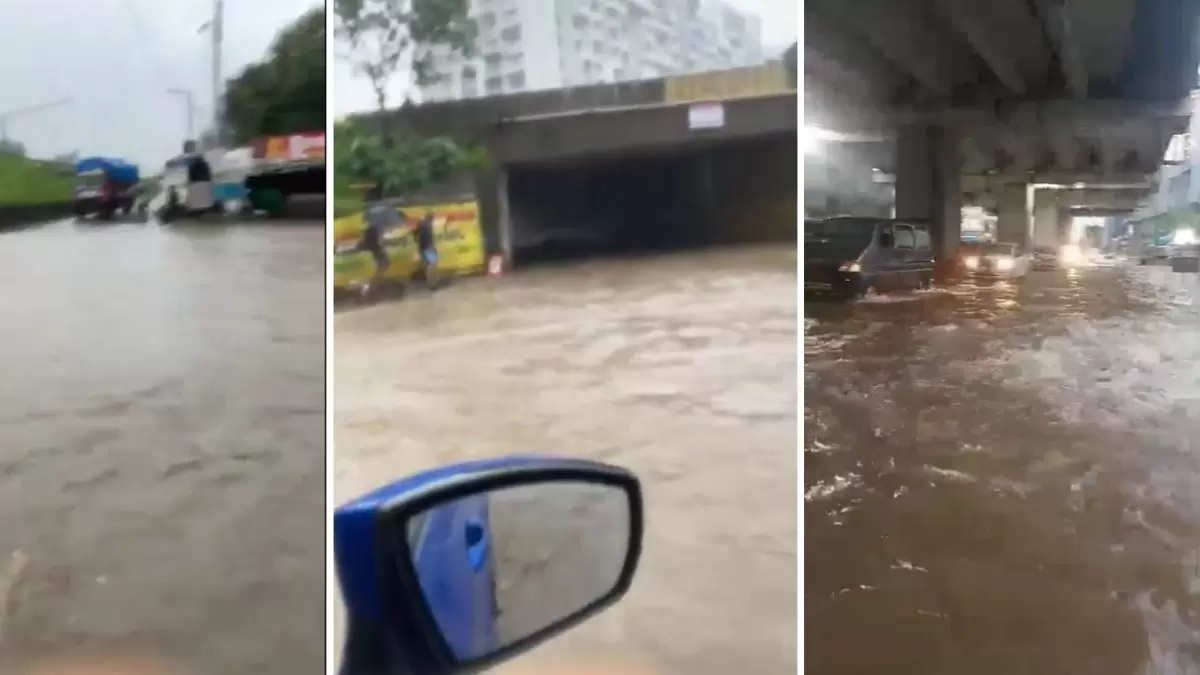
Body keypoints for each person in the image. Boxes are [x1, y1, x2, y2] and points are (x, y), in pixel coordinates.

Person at [360, 185, 399, 296]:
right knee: (384, 263)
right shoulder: (384, 210)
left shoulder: (370, 211)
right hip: (374, 240)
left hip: (371, 238)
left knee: (382, 263)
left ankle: (373, 284)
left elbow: (367, 224)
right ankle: (369, 286)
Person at [413, 210, 439, 290]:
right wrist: (431, 247)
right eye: (433, 218)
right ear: (430, 218)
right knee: (432, 265)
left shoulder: (420, 223)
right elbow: (427, 237)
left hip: (422, 248)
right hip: (428, 248)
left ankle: (429, 282)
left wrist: (417, 241)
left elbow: (414, 233)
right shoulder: (427, 225)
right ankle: (432, 284)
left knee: (426, 265)